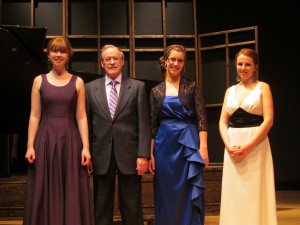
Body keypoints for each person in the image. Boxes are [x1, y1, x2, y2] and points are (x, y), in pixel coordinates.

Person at [23, 36, 94, 225]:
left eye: (63, 51)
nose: (58, 54)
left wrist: (86, 147)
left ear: (68, 55)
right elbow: (34, 116)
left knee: (71, 188)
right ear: (49, 54)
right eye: (55, 50)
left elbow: (81, 117)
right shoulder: (39, 81)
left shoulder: (78, 82)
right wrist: (30, 145)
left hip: (70, 141)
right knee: (43, 189)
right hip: (44, 140)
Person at [85, 44, 151, 225]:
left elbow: (144, 124)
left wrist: (143, 154)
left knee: (131, 204)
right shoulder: (90, 88)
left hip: (130, 154)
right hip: (100, 154)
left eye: (115, 58)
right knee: (101, 204)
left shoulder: (137, 87)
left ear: (123, 61)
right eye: (108, 59)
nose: (112, 62)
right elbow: (87, 124)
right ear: (101, 63)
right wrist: (87, 152)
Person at [148, 44, 209, 225]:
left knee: (188, 189)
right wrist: (150, 154)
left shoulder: (192, 87)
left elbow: (202, 120)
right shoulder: (156, 91)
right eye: (172, 59)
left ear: (184, 64)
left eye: (180, 60)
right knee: (166, 191)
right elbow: (152, 124)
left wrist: (203, 148)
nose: (176, 63)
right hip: (163, 147)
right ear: (165, 61)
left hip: (188, 146)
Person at [218, 48, 277, 225]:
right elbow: (222, 122)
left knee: (254, 191)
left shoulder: (263, 87)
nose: (243, 68)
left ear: (255, 67)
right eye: (240, 64)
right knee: (234, 191)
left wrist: (249, 146)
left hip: (256, 146)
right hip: (233, 148)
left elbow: (268, 121)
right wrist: (228, 145)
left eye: (248, 64)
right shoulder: (229, 91)